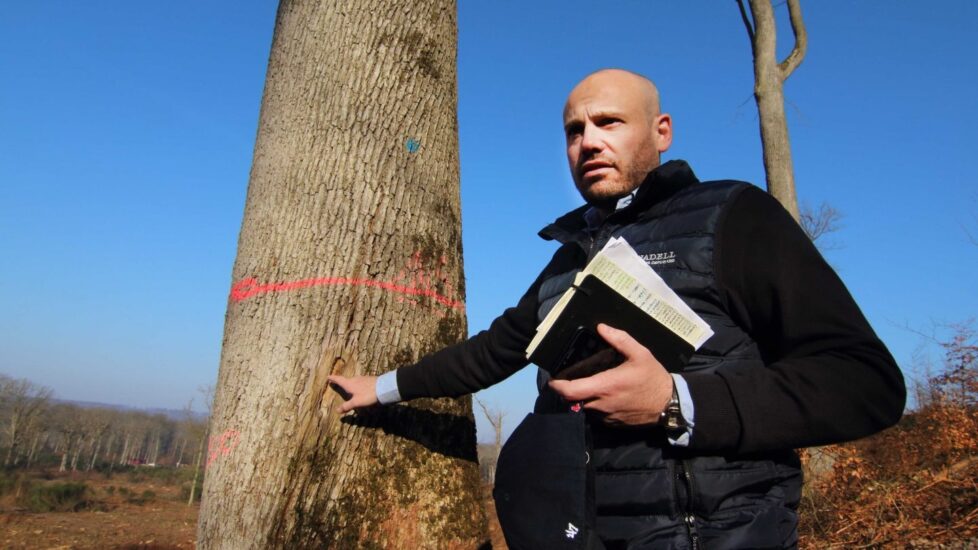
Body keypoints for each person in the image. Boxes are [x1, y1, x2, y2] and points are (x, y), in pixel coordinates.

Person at [329, 69, 906, 549]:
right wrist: (380, 389)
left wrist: (677, 403)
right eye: (574, 130)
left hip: (718, 535)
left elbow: (865, 382)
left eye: (608, 122)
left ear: (661, 132)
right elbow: (496, 350)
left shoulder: (734, 216)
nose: (588, 141)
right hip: (584, 531)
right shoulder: (567, 260)